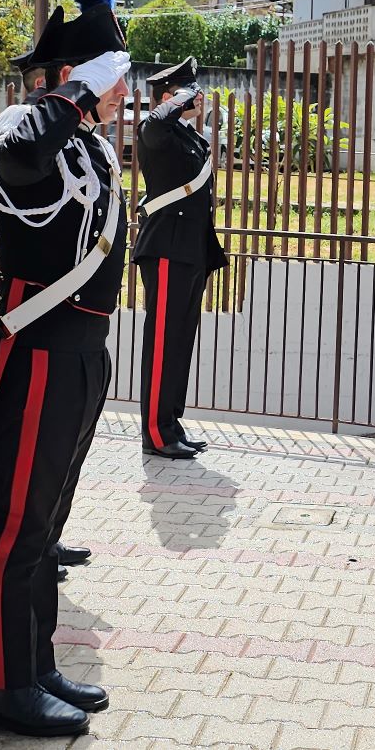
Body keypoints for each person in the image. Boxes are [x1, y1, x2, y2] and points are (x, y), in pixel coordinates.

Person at [0, 0, 130, 737]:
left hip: (80, 351)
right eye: (113, 77)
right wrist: (72, 92)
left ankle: (36, 662)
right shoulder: (30, 128)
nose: (121, 90)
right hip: (36, 350)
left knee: (45, 523)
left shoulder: (87, 142)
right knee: (14, 528)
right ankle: (3, 684)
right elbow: (15, 158)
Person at [134, 55, 227, 458]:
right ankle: (155, 433)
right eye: (192, 93)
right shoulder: (156, 131)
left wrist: (188, 108)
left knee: (180, 342)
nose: (199, 99)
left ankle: (171, 423)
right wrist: (181, 97)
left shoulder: (189, 136)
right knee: (162, 344)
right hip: (167, 250)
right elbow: (153, 124)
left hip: (190, 250)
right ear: (171, 96)